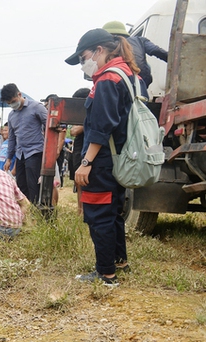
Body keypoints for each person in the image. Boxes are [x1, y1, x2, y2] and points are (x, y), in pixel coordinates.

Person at [65, 28, 147, 286]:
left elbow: (102, 126)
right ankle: (119, 261)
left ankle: (106, 274)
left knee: (98, 214)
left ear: (99, 51)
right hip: (121, 156)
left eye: (83, 57)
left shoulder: (107, 80)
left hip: (102, 159)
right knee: (113, 212)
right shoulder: (131, 74)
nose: (83, 64)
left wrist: (85, 163)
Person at [1, 83, 48, 203]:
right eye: (9, 103)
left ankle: (37, 212)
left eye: (13, 101)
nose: (12, 105)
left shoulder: (36, 107)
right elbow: (12, 138)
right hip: (20, 154)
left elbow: (50, 126)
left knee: (34, 185)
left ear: (19, 94)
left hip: (35, 152)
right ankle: (27, 212)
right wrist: (9, 158)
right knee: (21, 185)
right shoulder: (11, 115)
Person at [102, 20, 167, 87]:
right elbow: (156, 51)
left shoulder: (105, 46)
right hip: (142, 82)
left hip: (118, 83)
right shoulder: (139, 40)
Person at [67, 87, 91, 215]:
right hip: (78, 151)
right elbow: (72, 131)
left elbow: (75, 131)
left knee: (83, 182)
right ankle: (80, 210)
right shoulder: (83, 116)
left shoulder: (91, 114)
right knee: (78, 182)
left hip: (85, 152)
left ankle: (83, 211)